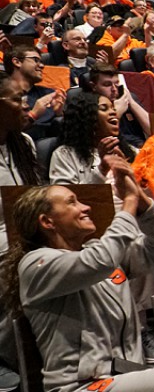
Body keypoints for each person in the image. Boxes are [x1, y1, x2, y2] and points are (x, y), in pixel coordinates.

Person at [0, 165, 154, 391]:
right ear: (47, 222)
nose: (86, 207)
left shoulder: (98, 254)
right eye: (72, 202)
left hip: (126, 376)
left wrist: (140, 199)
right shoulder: (35, 265)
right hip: (81, 386)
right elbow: (98, 262)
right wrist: (127, 205)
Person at [0, 73, 42, 392]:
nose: (24, 105)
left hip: (24, 233)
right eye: (16, 99)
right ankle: (8, 355)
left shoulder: (24, 144)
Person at [49, 91, 137, 189]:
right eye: (104, 108)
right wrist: (101, 169)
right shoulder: (65, 155)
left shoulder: (129, 151)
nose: (113, 112)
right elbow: (65, 198)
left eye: (113, 108)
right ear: (87, 118)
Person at [4, 45, 65, 142]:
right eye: (35, 60)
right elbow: (5, 132)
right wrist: (33, 115)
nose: (42, 66)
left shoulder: (50, 94)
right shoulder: (3, 96)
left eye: (41, 61)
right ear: (17, 62)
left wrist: (59, 114)